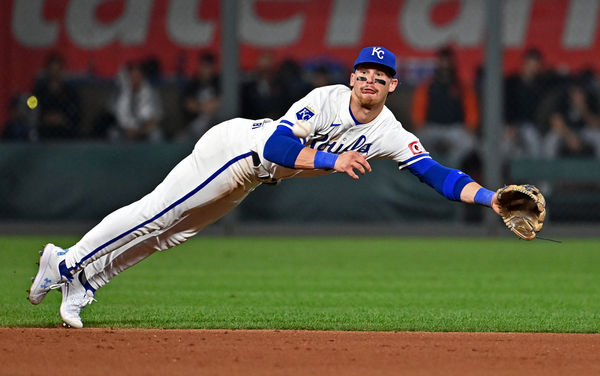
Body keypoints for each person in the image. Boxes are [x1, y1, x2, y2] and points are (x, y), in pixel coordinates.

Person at [28, 47, 503, 329]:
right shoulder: (326, 99)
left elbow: (438, 174)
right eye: (363, 73)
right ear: (352, 77)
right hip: (238, 150)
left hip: (253, 176)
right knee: (158, 213)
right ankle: (65, 261)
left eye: (380, 77)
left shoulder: (390, 132)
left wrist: (492, 198)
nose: (369, 81)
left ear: (393, 85)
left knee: (173, 233)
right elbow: (277, 147)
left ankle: (86, 281)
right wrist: (333, 160)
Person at [410, 46, 480, 168]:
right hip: (432, 128)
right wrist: (419, 125)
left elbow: (471, 114)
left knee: (471, 143)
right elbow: (418, 114)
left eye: (448, 61)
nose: (445, 65)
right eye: (442, 61)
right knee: (413, 142)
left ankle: (452, 168)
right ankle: (430, 169)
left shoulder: (462, 86)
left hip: (455, 129)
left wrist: (470, 127)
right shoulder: (428, 85)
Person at [543, 77, 600, 158]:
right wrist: (569, 137)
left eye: (580, 93)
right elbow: (556, 122)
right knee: (552, 139)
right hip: (566, 131)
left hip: (584, 131)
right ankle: (549, 168)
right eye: (575, 92)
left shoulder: (590, 100)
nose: (577, 95)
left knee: (598, 137)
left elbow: (597, 125)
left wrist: (583, 110)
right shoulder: (562, 100)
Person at [109, 61, 163, 141]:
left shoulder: (152, 93)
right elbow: (114, 113)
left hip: (144, 129)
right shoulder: (120, 92)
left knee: (156, 135)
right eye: (132, 76)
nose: (134, 79)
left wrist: (139, 129)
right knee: (113, 134)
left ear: (142, 77)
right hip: (124, 128)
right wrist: (127, 127)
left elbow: (157, 117)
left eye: (137, 76)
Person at [32, 52, 81, 139]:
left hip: (64, 128)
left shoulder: (70, 92)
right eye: (52, 70)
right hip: (44, 128)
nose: (54, 73)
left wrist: (63, 119)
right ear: (48, 70)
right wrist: (44, 118)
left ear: (61, 71)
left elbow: (76, 111)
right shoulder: (39, 90)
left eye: (57, 70)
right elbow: (31, 106)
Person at [179, 53, 222, 139]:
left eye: (209, 66)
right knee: (182, 138)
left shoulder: (218, 82)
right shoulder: (193, 83)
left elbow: (222, 101)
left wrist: (212, 105)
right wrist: (205, 107)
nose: (206, 70)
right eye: (204, 66)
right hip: (195, 124)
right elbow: (189, 105)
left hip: (216, 123)